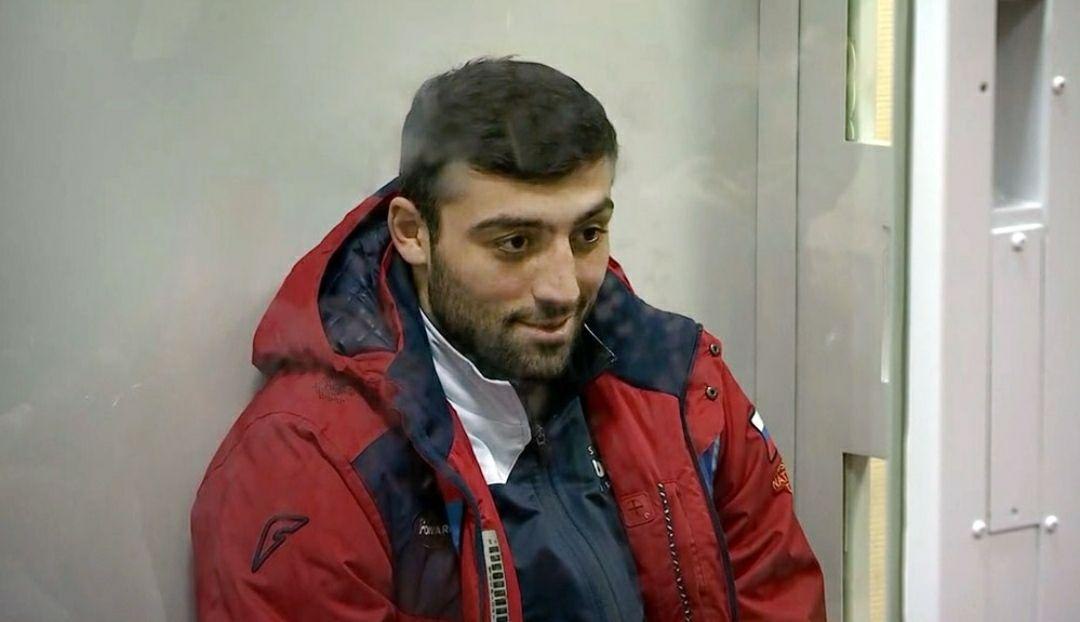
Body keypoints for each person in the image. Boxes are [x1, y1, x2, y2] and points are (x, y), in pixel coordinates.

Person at [191, 57, 825, 621]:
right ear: (413, 233)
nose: (562, 289)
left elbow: (779, 597)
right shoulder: (312, 463)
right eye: (515, 243)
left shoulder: (678, 384)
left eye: (587, 235)